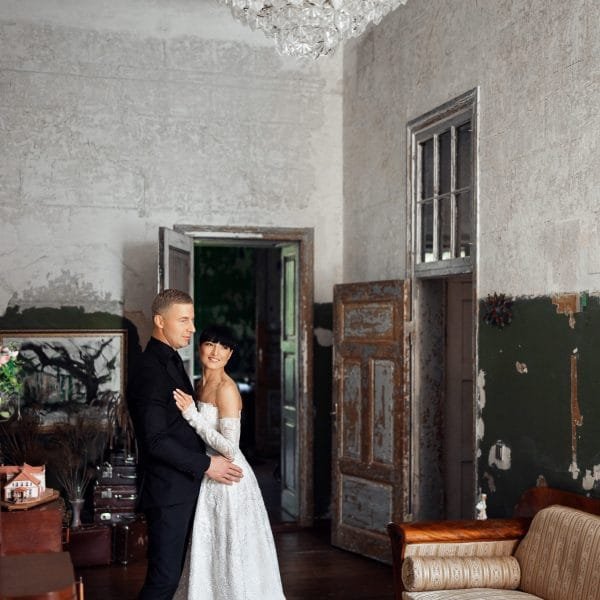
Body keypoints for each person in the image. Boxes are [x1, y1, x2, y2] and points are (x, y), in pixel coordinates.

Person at [128, 289, 243, 600]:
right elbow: (155, 440)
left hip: (185, 486)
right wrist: (207, 464)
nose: (192, 328)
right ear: (159, 321)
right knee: (164, 580)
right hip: (168, 492)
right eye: (183, 320)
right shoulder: (150, 369)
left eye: (192, 320)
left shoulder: (171, 358)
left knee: (180, 576)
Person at [173, 325, 285, 600]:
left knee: (230, 547)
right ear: (200, 347)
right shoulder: (198, 384)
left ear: (230, 354)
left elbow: (230, 449)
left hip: (228, 476)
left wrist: (192, 416)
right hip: (208, 472)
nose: (216, 352)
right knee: (210, 546)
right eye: (210, 344)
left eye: (224, 347)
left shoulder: (226, 389)